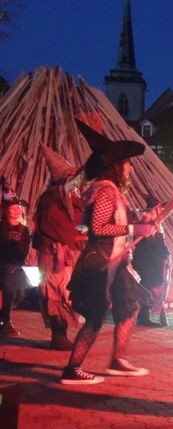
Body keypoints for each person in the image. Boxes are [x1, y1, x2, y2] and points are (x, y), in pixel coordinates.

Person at [61, 120, 156, 384]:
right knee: (94, 317)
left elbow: (119, 223)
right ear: (116, 166)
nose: (131, 168)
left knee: (129, 306)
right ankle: (72, 369)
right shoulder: (105, 190)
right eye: (127, 163)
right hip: (101, 262)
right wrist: (135, 227)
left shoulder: (112, 191)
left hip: (116, 262)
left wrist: (143, 222)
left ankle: (118, 359)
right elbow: (99, 228)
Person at [34, 146, 87, 350]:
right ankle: (58, 336)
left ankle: (61, 335)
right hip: (54, 257)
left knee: (64, 294)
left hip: (69, 256)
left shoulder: (73, 200)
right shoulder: (51, 201)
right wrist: (79, 234)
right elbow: (58, 227)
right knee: (55, 295)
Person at [132, 197, 172, 328]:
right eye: (159, 209)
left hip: (153, 263)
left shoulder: (156, 225)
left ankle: (144, 316)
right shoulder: (145, 225)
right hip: (146, 263)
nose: (161, 211)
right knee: (146, 288)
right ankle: (143, 317)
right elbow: (147, 245)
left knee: (150, 288)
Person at [0, 199, 32, 338]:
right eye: (13, 208)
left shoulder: (24, 229)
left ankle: (3, 319)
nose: (16, 210)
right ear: (6, 211)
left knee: (18, 295)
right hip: (2, 264)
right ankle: (6, 322)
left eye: (18, 207)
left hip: (16, 266)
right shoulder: (1, 226)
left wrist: (20, 263)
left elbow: (25, 248)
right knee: (9, 293)